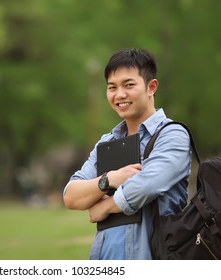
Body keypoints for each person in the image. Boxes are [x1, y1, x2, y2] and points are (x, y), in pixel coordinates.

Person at [63, 48, 192, 259]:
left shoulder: (172, 135)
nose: (120, 94)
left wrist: (106, 206)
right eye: (112, 87)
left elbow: (147, 185)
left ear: (151, 87)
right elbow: (71, 195)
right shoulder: (107, 142)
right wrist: (109, 179)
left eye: (129, 85)